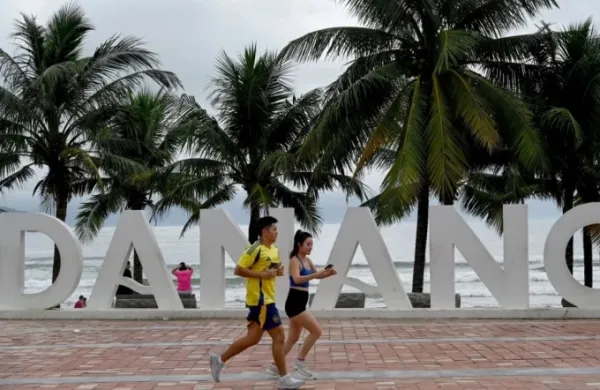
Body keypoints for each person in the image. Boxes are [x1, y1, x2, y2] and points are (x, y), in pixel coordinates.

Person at [209, 216, 305, 389]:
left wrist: (277, 271)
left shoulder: (273, 250)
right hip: (261, 301)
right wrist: (262, 275)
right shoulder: (254, 249)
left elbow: (272, 270)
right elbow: (238, 269)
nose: (277, 232)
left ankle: (220, 360)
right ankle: (284, 378)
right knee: (280, 336)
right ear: (265, 231)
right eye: (274, 229)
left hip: (266, 299)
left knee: (252, 338)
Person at [266, 230, 337, 379]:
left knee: (293, 338)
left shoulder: (307, 260)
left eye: (312, 244)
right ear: (299, 245)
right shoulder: (294, 260)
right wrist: (316, 275)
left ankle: (274, 367)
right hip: (294, 303)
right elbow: (297, 279)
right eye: (308, 244)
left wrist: (329, 272)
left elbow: (318, 275)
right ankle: (300, 362)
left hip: (301, 302)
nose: (311, 247)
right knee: (317, 331)